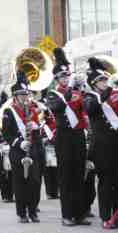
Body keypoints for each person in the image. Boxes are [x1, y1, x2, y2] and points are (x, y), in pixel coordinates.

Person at [47, 47, 91, 226]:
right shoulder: (53, 94)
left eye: (67, 76)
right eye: (63, 77)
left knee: (79, 174)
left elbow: (86, 109)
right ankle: (67, 215)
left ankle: (80, 214)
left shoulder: (77, 92)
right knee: (66, 176)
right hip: (64, 137)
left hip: (78, 136)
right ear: (57, 79)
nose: (66, 78)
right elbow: (56, 108)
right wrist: (68, 93)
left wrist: (86, 91)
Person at [1, 77, 42, 223]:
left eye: (26, 94)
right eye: (22, 95)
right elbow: (6, 133)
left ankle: (33, 211)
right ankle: (22, 213)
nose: (25, 97)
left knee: (34, 182)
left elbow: (37, 132)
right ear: (15, 96)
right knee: (20, 182)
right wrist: (19, 143)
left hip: (32, 150)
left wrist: (37, 129)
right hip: (18, 150)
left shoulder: (32, 110)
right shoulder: (9, 111)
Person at [83, 57, 118, 229]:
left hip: (115, 145)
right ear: (94, 83)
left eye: (105, 79)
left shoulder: (110, 96)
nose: (105, 82)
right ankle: (105, 216)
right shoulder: (90, 97)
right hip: (102, 148)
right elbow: (91, 109)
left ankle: (116, 217)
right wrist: (109, 89)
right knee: (105, 183)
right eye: (102, 80)